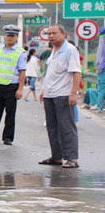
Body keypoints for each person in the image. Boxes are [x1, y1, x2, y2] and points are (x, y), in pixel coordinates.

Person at [38, 24, 81, 168]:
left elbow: (76, 72)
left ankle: (72, 158)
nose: (51, 36)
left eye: (54, 33)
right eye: (49, 33)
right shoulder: (53, 51)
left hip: (63, 94)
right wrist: (44, 91)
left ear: (63, 34)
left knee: (66, 127)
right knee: (52, 127)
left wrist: (73, 94)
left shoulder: (70, 50)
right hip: (50, 95)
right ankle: (56, 157)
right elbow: (50, 73)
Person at [0, 24, 27, 145]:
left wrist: (20, 89)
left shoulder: (20, 53)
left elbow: (22, 72)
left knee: (10, 113)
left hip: (11, 86)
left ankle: (8, 137)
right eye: (7, 35)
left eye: (12, 36)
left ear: (16, 37)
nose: (9, 38)